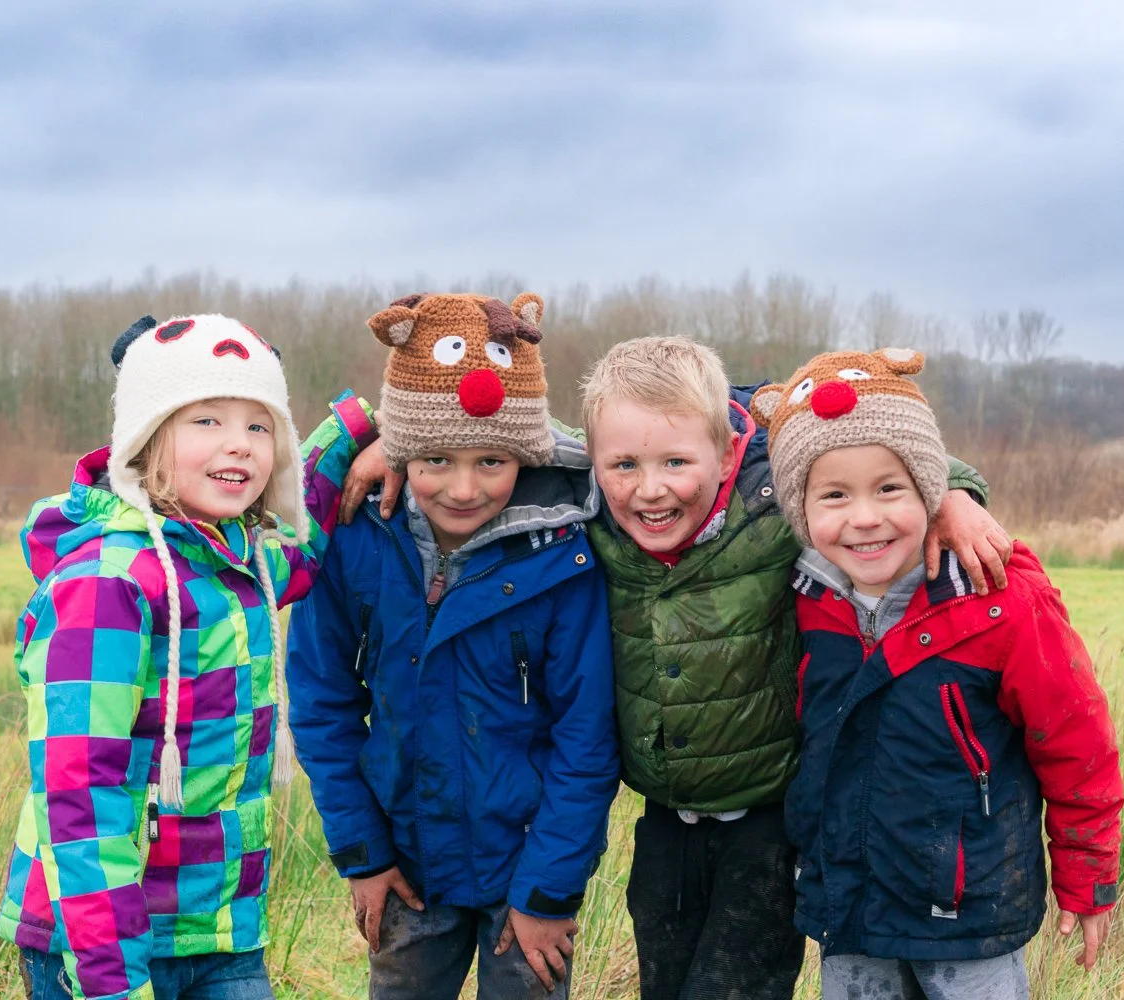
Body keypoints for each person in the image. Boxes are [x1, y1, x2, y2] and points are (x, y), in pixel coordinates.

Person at [342, 334, 1012, 1000]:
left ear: (725, 455)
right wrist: (389, 441)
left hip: (766, 824)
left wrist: (953, 492)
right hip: (664, 819)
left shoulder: (775, 504)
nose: (650, 489)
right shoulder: (586, 507)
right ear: (597, 461)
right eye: (625, 465)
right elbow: (492, 420)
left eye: (674, 463)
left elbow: (870, 441)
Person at [0, 314, 375, 1000]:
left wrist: (357, 430)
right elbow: (80, 799)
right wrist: (113, 983)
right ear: (146, 436)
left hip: (222, 931)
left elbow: (308, 530)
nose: (241, 445)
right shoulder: (106, 586)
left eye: (260, 427)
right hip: (105, 945)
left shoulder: (242, 562)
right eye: (207, 421)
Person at [751, 347, 1124, 1000]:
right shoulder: (803, 600)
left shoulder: (999, 598)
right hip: (850, 909)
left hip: (970, 916)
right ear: (799, 509)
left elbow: (1075, 740)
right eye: (834, 495)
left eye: (890, 489)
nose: (864, 517)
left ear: (932, 489)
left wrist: (1088, 876)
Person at [287, 292, 619, 1000]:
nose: (463, 488)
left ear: (523, 454)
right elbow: (321, 703)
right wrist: (363, 855)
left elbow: (586, 739)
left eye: (492, 462)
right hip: (405, 868)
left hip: (525, 877)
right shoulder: (353, 538)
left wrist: (548, 892)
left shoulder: (565, 555)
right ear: (400, 449)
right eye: (434, 459)